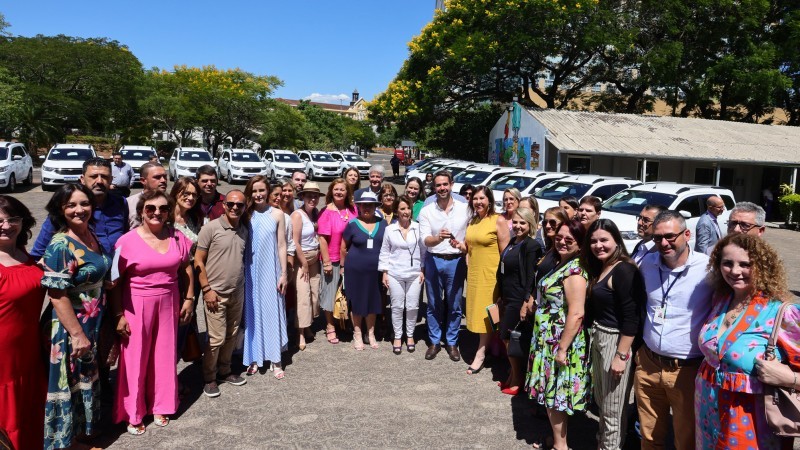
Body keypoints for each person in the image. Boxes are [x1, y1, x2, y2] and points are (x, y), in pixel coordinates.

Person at [696, 233, 799, 449]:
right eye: (727, 263)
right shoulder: (721, 300)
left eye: (745, 264)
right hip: (708, 414)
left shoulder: (781, 313)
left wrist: (789, 378)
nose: (735, 271)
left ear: (762, 267)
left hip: (751, 427)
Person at [110, 190, 194, 435]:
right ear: (141, 211)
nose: (157, 213)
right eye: (151, 208)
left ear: (169, 212)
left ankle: (161, 404)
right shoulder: (125, 241)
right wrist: (118, 315)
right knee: (135, 358)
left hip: (169, 302)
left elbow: (186, 268)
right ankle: (133, 411)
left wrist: (189, 299)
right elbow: (115, 282)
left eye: (163, 208)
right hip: (136, 305)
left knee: (164, 355)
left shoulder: (177, 237)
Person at [41, 184, 112, 449]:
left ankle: (83, 436)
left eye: (84, 203)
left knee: (85, 379)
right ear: (60, 210)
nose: (79, 210)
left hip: (91, 321)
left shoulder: (90, 234)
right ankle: (65, 443)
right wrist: (77, 334)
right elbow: (56, 295)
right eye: (70, 205)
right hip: (70, 326)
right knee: (68, 382)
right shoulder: (60, 244)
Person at [635, 210, 713, 450]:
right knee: (649, 437)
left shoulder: (708, 269)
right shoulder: (647, 264)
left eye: (670, 236)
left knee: (686, 440)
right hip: (648, 364)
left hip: (686, 370)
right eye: (658, 238)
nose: (664, 243)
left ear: (687, 234)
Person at [524, 219, 589, 450]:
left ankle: (560, 446)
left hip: (560, 342)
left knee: (556, 395)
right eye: (559, 237)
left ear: (580, 244)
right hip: (548, 339)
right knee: (551, 394)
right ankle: (557, 439)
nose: (561, 242)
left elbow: (577, 313)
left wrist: (562, 349)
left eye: (569, 239)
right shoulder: (561, 263)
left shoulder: (575, 272)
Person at [581, 219, 646, 449]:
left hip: (616, 341)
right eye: (594, 241)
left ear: (617, 241)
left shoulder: (624, 269)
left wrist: (621, 355)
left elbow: (632, 317)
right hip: (600, 337)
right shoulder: (603, 266)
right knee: (603, 403)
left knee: (613, 408)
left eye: (604, 240)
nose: (598, 245)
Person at [0, 195, 46, 450]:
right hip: (4, 354)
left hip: (28, 348)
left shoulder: (22, 254)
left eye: (12, 219)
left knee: (27, 405)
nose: (6, 226)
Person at [450, 186, 510, 373]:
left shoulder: (498, 220)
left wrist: (504, 280)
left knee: (488, 314)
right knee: (478, 313)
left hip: (491, 276)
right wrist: (459, 246)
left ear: (489, 200)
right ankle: (491, 347)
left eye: (482, 198)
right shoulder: (473, 221)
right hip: (475, 274)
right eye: (475, 199)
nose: (478, 202)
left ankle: (481, 353)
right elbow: (471, 248)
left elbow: (506, 253)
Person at [195, 190, 249, 398]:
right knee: (216, 338)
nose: (235, 208)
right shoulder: (211, 228)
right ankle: (209, 377)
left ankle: (225, 371)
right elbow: (199, 261)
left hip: (237, 291)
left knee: (231, 335)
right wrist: (207, 290)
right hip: (215, 293)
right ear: (224, 205)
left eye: (239, 205)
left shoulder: (243, 230)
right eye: (231, 204)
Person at [418, 170, 470, 362]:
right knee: (433, 304)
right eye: (438, 185)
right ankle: (434, 341)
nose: (442, 188)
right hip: (434, 260)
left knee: (455, 304)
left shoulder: (465, 209)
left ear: (451, 185)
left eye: (445, 184)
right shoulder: (427, 211)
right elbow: (425, 240)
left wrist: (462, 247)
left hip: (456, 261)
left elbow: (471, 235)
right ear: (434, 187)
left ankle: (452, 342)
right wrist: (438, 238)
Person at [32, 157, 129, 259]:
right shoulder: (71, 209)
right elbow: (39, 252)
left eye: (104, 176)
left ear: (111, 179)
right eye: (93, 176)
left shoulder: (120, 202)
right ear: (82, 179)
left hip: (117, 265)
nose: (99, 181)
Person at [242, 176, 289, 379]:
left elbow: (282, 244)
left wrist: (284, 274)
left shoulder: (278, 214)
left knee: (272, 312)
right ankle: (254, 357)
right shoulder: (245, 213)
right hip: (251, 270)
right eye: (254, 191)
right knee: (252, 312)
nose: (258, 194)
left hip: (271, 270)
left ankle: (275, 358)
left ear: (268, 191)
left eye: (261, 190)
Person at [496, 207, 542, 395]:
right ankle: (513, 374)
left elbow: (531, 276)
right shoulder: (513, 241)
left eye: (522, 222)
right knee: (506, 336)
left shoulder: (531, 245)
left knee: (509, 337)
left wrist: (526, 301)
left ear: (530, 224)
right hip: (507, 296)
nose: (518, 226)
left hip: (518, 298)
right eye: (515, 222)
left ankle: (518, 377)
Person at [379, 195, 425, 354]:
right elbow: (385, 252)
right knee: (397, 306)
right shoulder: (389, 229)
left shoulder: (418, 227)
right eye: (402, 209)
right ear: (396, 211)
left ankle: (410, 335)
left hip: (414, 274)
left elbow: (424, 251)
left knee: (412, 306)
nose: (406, 212)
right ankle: (398, 336)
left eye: (408, 208)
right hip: (395, 273)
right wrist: (385, 272)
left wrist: (423, 269)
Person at [341, 191, 386, 350]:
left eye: (370, 205)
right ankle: (358, 333)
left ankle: (371, 333)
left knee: (373, 301)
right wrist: (342, 267)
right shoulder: (352, 224)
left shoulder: (383, 224)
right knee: (357, 301)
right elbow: (343, 247)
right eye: (363, 205)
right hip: (355, 271)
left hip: (376, 271)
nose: (367, 208)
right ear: (359, 206)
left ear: (375, 207)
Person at [317, 178, 358, 345]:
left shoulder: (353, 209)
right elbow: (322, 239)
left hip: (352, 259)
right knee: (330, 292)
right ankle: (330, 325)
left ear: (347, 192)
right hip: (332, 258)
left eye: (342, 189)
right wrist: (326, 262)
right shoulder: (327, 212)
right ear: (331, 192)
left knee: (346, 293)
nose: (339, 192)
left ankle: (343, 321)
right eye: (336, 189)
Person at [291, 182, 323, 351]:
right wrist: (303, 263)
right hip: (301, 259)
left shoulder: (315, 213)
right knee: (303, 296)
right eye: (309, 196)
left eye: (315, 196)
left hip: (314, 258)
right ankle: (300, 334)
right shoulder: (297, 215)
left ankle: (308, 325)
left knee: (314, 294)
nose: (312, 199)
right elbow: (295, 242)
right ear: (302, 197)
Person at [536, 207, 570, 287]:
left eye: (552, 222)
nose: (547, 226)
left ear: (563, 223)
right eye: (545, 223)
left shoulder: (564, 249)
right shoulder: (549, 246)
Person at [128, 162, 168, 228]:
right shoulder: (129, 203)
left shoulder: (171, 202)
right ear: (143, 180)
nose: (163, 180)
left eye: (165, 176)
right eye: (157, 177)